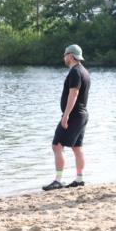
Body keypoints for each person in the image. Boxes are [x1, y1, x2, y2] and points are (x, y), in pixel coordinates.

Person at [42, 44, 91, 191]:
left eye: (65, 55)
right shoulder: (84, 71)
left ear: (70, 56)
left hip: (74, 115)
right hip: (82, 115)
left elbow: (73, 94)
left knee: (57, 145)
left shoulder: (75, 72)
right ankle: (79, 179)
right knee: (77, 147)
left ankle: (58, 180)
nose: (63, 57)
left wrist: (66, 115)